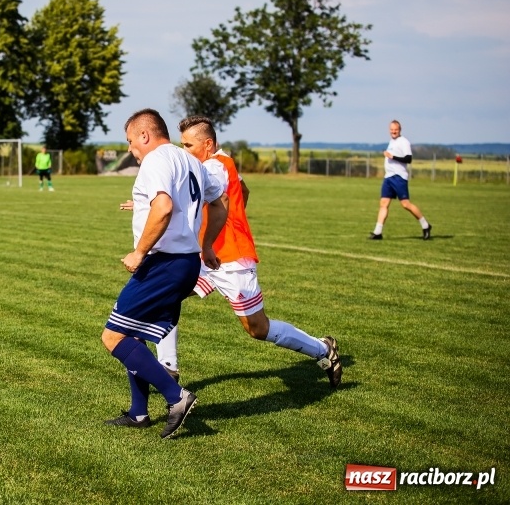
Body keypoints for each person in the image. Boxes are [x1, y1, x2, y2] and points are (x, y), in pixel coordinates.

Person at [148, 115, 342, 389]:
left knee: (257, 328)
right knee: (166, 296)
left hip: (231, 259)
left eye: (189, 146)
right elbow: (243, 189)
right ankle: (168, 369)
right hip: (206, 256)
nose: (184, 151)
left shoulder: (214, 167)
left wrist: (153, 199)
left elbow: (199, 191)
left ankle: (323, 349)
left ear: (208, 144)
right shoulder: (221, 162)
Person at [102, 108, 228, 439]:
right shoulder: (190, 162)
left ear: (145, 135)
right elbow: (219, 203)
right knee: (135, 333)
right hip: (186, 262)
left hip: (164, 263)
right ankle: (139, 413)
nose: (131, 149)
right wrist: (209, 246)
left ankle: (177, 398)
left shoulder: (156, 159)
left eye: (131, 141)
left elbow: (164, 207)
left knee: (113, 336)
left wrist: (139, 252)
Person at [369, 120, 431, 240]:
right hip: (388, 177)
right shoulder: (392, 141)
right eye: (391, 129)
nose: (393, 131)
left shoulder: (404, 142)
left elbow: (408, 159)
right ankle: (378, 232)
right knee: (383, 204)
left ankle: (426, 225)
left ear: (400, 130)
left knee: (405, 204)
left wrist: (392, 157)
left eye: (395, 129)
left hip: (399, 177)